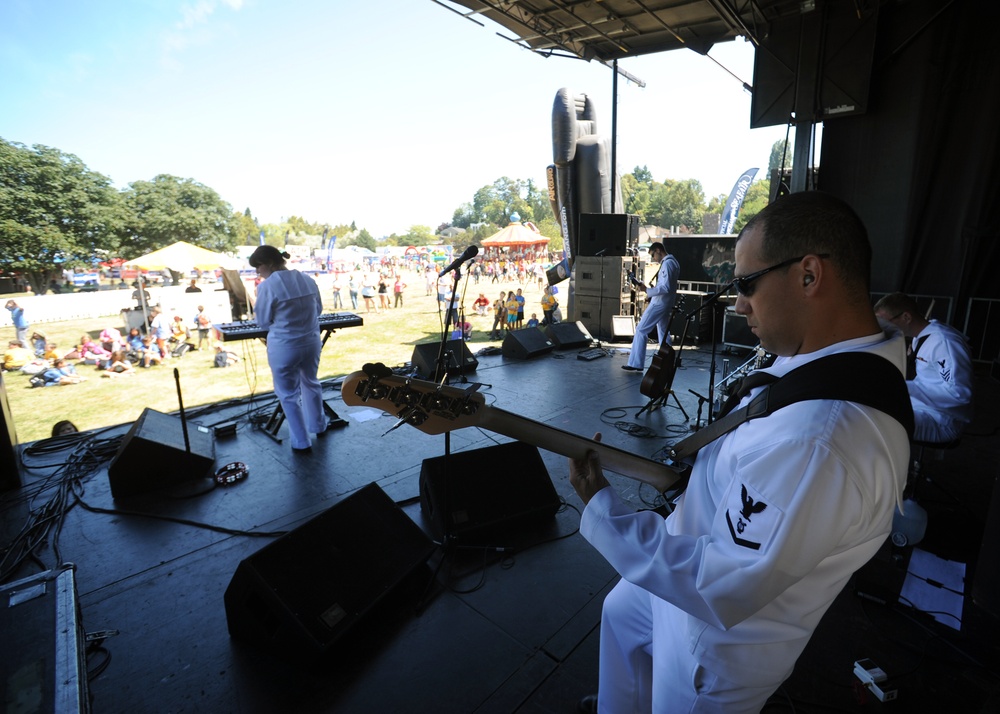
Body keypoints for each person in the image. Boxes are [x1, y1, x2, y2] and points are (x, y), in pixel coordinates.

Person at [569, 191, 911, 713]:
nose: (737, 304)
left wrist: (602, 509)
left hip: (711, 639)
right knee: (620, 613)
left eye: (746, 283)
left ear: (809, 275)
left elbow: (715, 584)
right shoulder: (836, 364)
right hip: (685, 563)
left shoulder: (820, 441)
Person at [249, 245, 327, 452]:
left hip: (284, 345)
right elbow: (318, 310)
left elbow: (263, 322)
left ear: (270, 263)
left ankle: (301, 442)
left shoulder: (267, 287)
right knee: (311, 383)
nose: (258, 272)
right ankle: (319, 426)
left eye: (259, 267)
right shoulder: (307, 279)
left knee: (288, 394)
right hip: (311, 341)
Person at [874, 292, 974, 443]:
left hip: (942, 421)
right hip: (922, 408)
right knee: (867, 410)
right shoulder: (920, 337)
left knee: (873, 423)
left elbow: (960, 394)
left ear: (906, 317)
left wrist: (901, 387)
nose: (882, 328)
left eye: (885, 322)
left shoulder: (943, 343)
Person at [623, 241, 680, 372]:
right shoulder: (673, 262)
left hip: (660, 303)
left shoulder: (668, 263)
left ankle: (636, 363)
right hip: (664, 302)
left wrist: (647, 290)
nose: (653, 258)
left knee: (641, 330)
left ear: (659, 250)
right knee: (663, 330)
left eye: (653, 254)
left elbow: (665, 287)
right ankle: (668, 359)